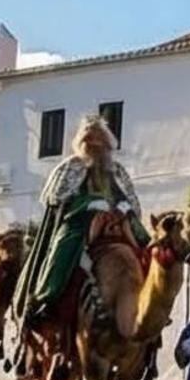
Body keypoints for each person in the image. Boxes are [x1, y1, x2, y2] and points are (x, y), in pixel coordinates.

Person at [12, 114, 149, 329]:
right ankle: (46, 297)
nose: (94, 144)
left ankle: (152, 302)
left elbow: (129, 198)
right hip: (81, 220)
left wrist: (124, 207)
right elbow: (56, 198)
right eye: (89, 140)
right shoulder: (71, 167)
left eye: (99, 140)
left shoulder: (117, 171)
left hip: (116, 222)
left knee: (148, 247)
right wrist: (88, 202)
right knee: (64, 246)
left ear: (107, 143)